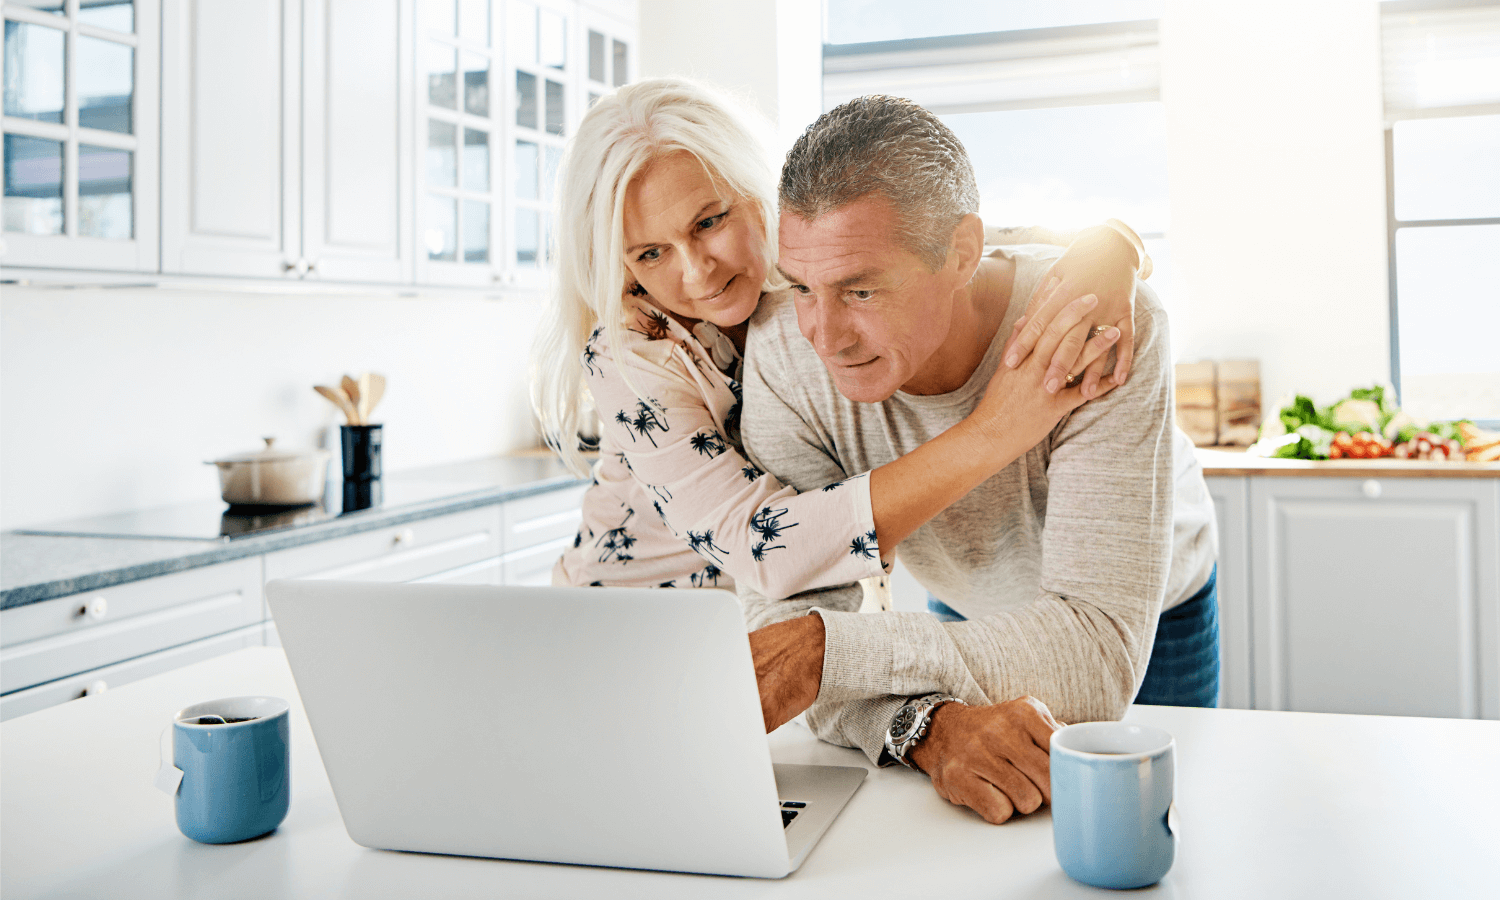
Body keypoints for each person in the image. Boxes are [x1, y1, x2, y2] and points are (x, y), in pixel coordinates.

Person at [740, 95, 1219, 825]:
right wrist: (923, 724)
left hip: (1147, 613)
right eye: (802, 286)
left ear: (962, 253)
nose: (823, 335)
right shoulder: (780, 359)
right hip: (962, 603)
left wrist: (824, 653)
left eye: (861, 289)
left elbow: (1095, 656)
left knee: (1154, 835)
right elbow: (786, 652)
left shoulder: (1095, 324)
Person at [530, 78, 1151, 596]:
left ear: (758, 195)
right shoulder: (629, 352)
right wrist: (992, 432)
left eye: (709, 222)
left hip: (755, 629)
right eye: (651, 252)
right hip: (620, 615)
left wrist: (1110, 245)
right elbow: (759, 547)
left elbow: (934, 241)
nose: (697, 272)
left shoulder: (802, 269)